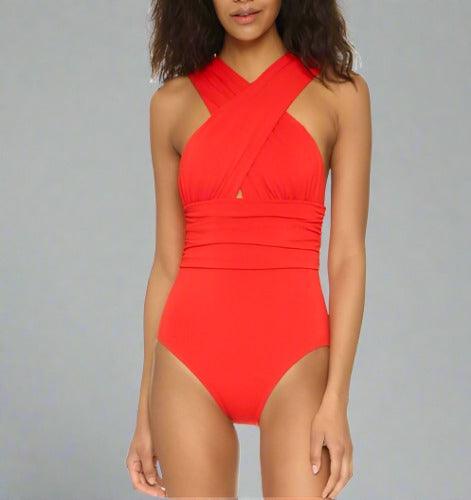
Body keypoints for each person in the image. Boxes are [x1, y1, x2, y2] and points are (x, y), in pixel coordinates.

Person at [126, 0, 371, 498]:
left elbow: (347, 257)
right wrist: (143, 411)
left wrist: (337, 399)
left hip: (296, 358)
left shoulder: (340, 95)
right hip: (188, 361)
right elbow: (167, 265)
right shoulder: (170, 105)